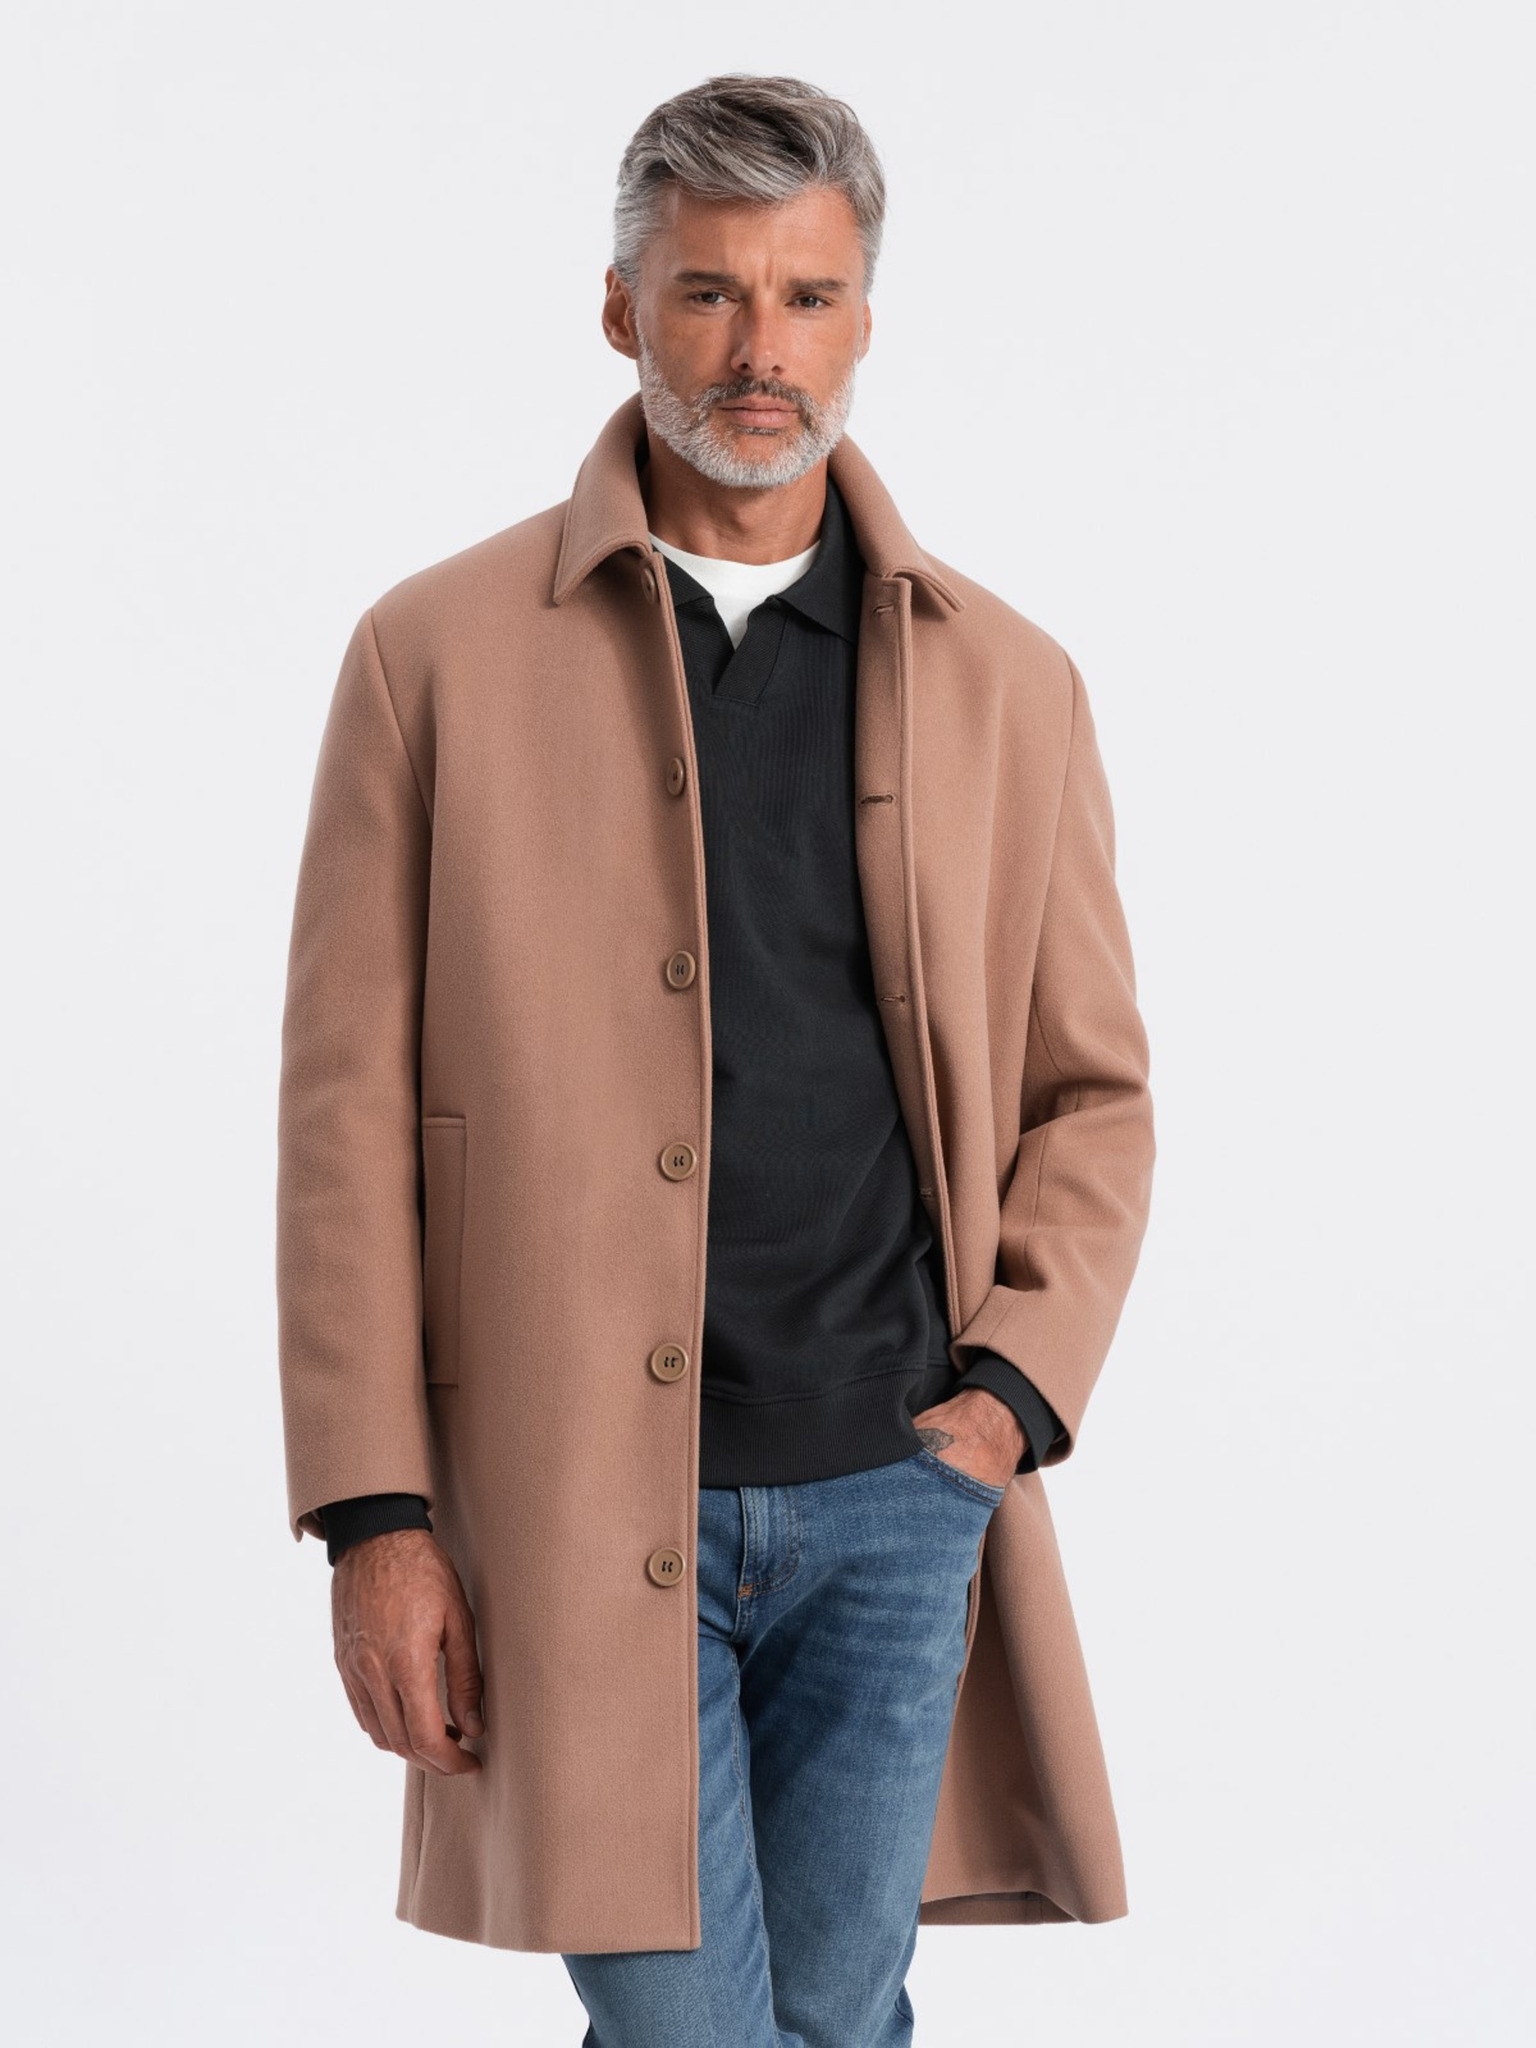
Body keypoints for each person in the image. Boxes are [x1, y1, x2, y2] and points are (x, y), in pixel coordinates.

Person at [276, 71, 1155, 2047]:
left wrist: (1007, 1402)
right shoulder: (434, 658)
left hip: (898, 1490)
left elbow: (1093, 1091)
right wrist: (373, 1514)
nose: (762, 350)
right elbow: (342, 1121)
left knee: (840, 2022)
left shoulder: (1007, 684)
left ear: (863, 319)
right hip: (570, 1503)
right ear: (620, 308)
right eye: (708, 293)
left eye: (807, 297)